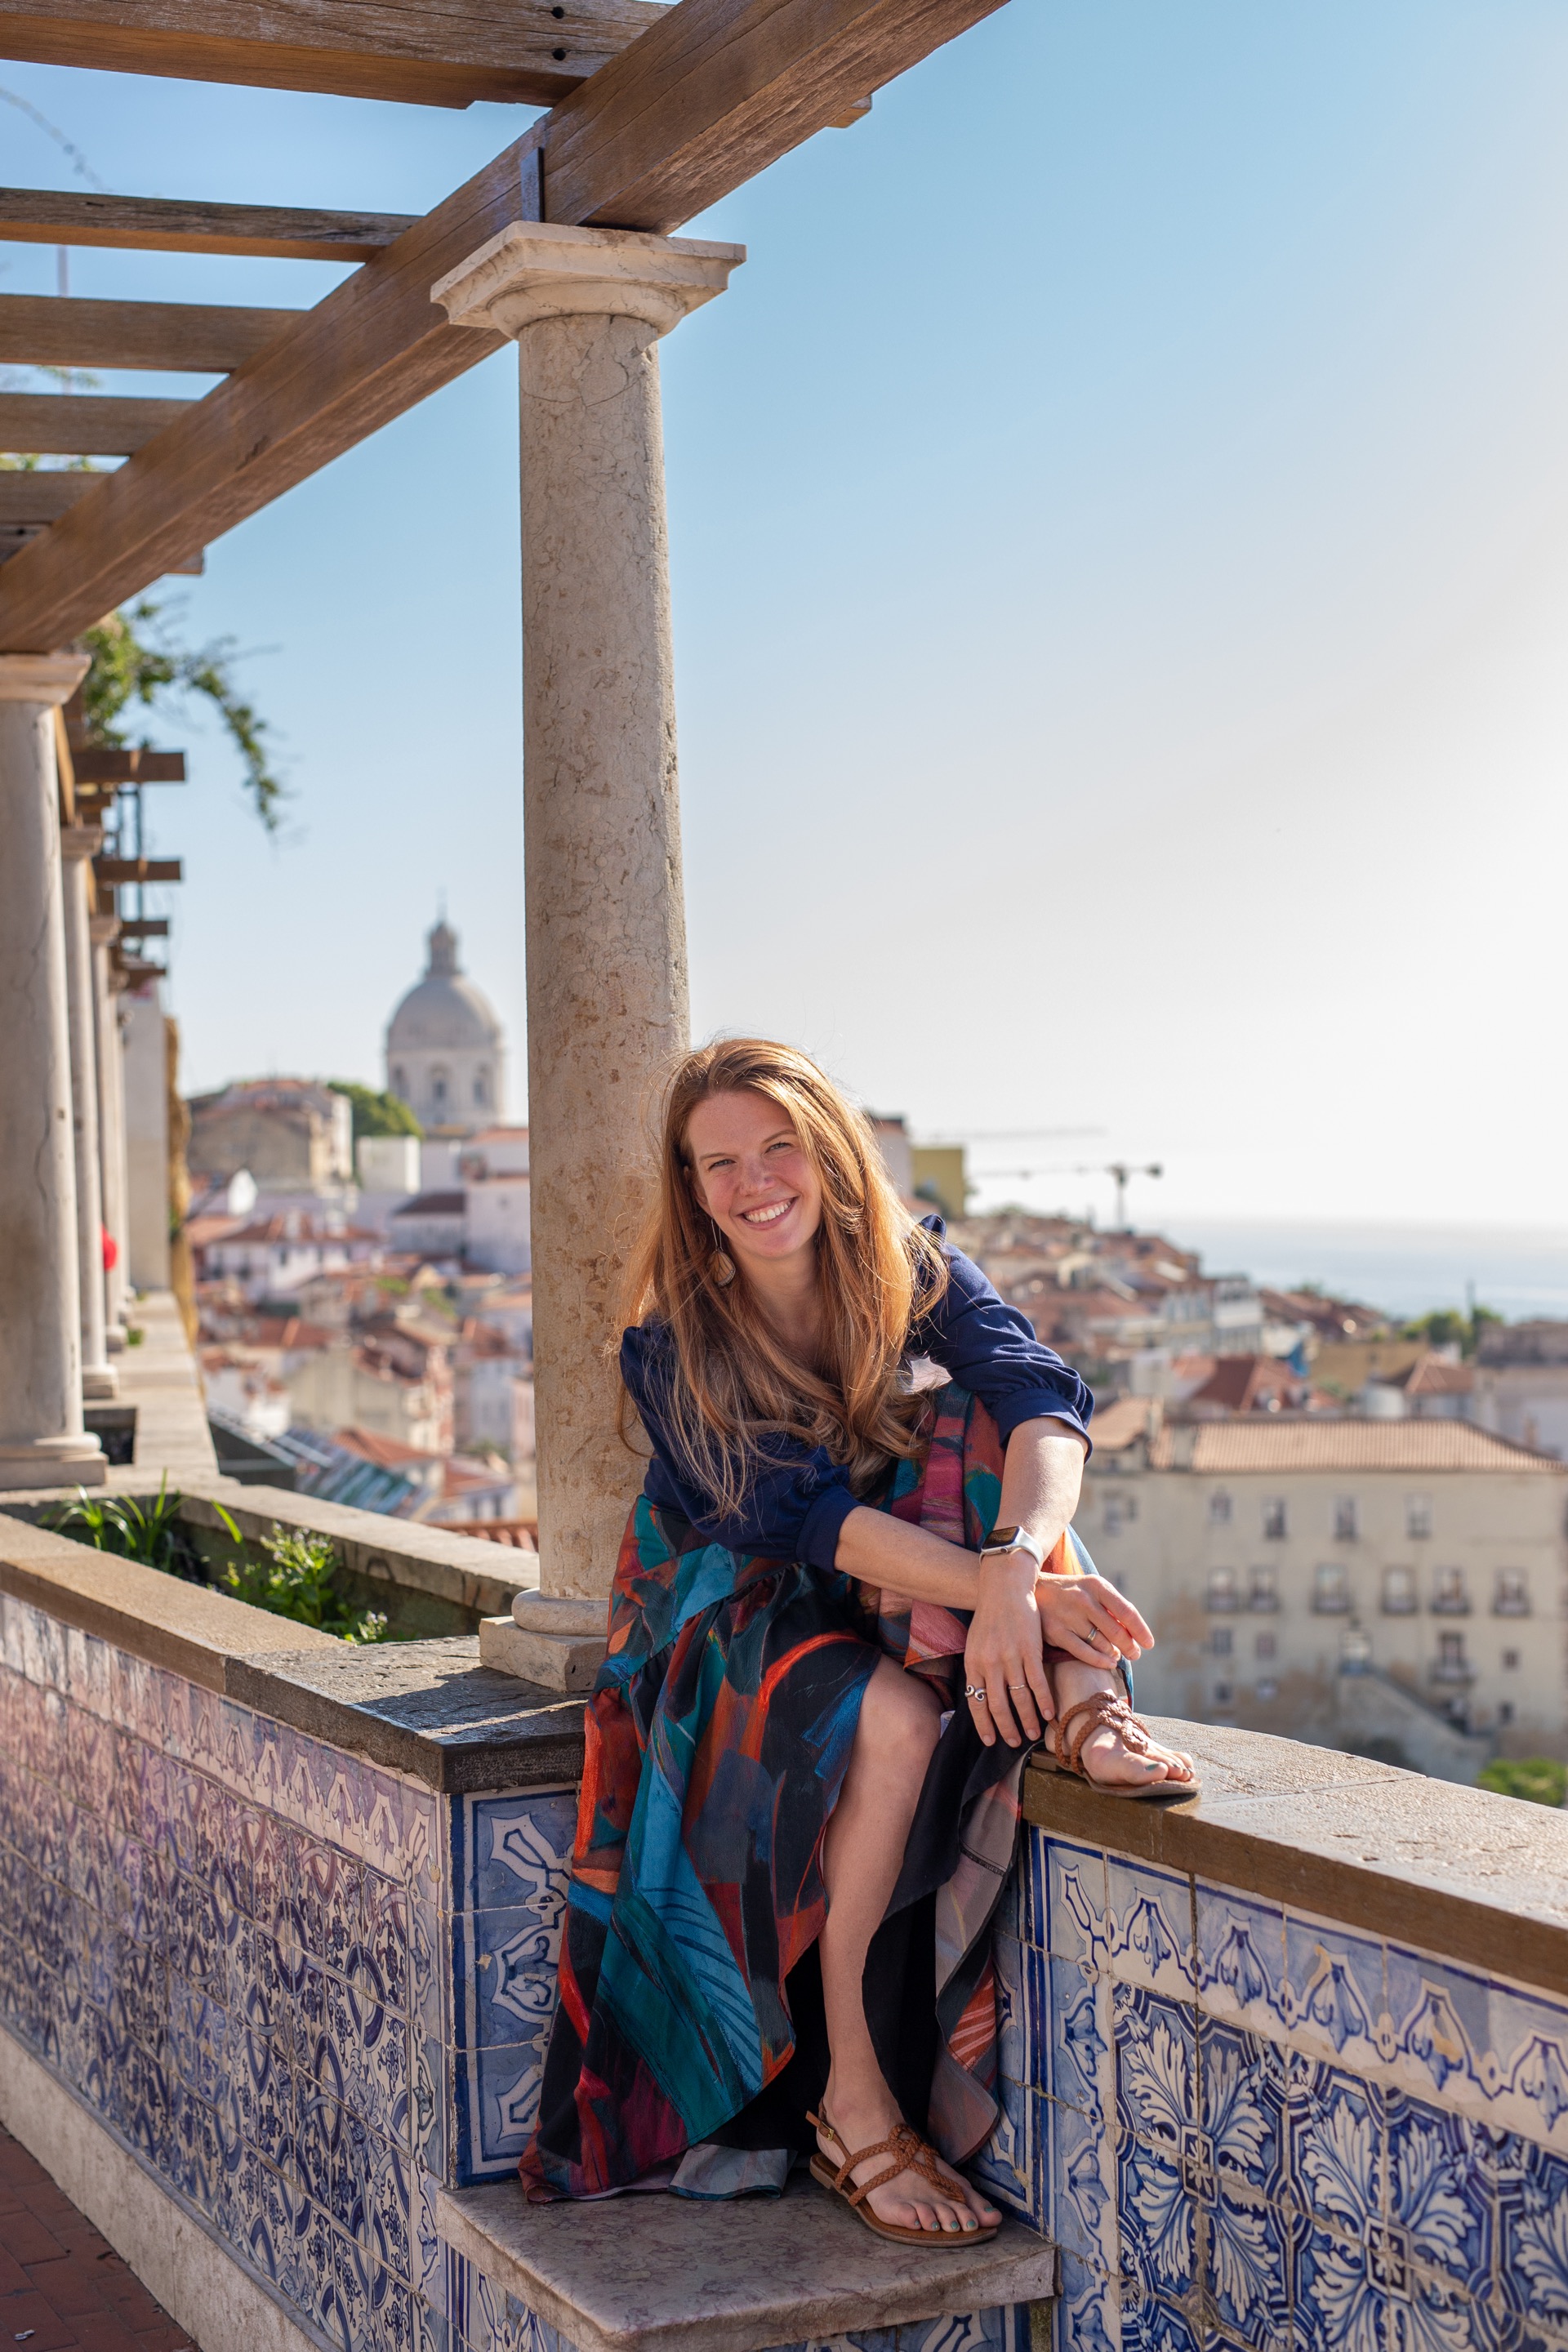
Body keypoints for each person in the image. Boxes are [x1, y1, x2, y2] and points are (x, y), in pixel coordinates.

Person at [520, 1039, 1194, 2241]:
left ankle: (1092, 1698)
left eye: (778, 1146)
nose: (754, 1180)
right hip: (722, 1617)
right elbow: (808, 1525)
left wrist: (1017, 1566)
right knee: (895, 1714)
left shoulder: (915, 1267)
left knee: (988, 1418)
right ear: (690, 1190)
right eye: (718, 1161)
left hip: (892, 1580)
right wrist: (1019, 1597)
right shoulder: (675, 1343)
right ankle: (852, 2100)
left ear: (829, 1153)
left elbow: (1047, 1400)